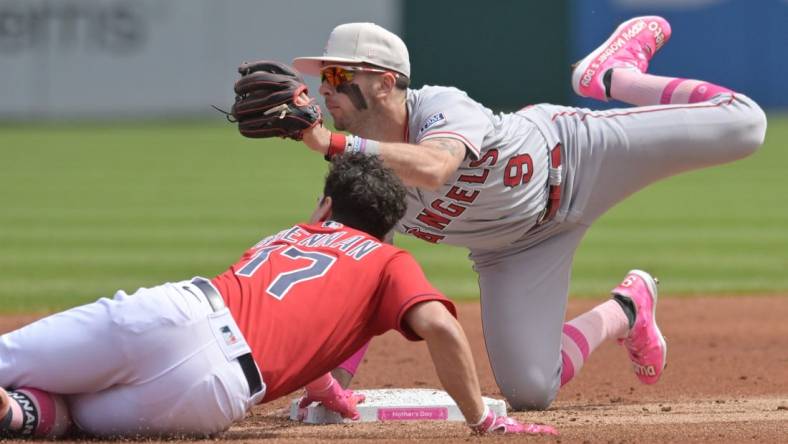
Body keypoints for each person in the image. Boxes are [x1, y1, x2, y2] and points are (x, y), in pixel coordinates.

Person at [286, 18, 768, 410]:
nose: (324, 89)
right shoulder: (362, 173)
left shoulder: (439, 104)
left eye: (337, 76)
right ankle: (627, 308)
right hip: (512, 253)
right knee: (531, 391)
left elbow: (434, 167)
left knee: (745, 125)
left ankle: (616, 75)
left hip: (578, 156)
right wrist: (330, 385)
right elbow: (355, 276)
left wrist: (330, 142)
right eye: (323, 76)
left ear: (385, 81)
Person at [0, 154, 557, 438]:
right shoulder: (389, 260)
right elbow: (438, 324)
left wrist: (328, 387)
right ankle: (16, 414)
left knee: (13, 362)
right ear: (386, 229)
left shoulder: (287, 236)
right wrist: (482, 419)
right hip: (211, 394)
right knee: (69, 421)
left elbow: (281, 305)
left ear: (323, 206)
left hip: (176, 313)